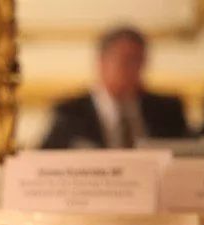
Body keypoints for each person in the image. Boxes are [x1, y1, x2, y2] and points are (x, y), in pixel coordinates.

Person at [41, 26, 187, 149]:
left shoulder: (167, 111)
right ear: (101, 63)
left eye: (138, 61)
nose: (132, 69)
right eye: (125, 61)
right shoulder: (71, 114)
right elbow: (44, 160)